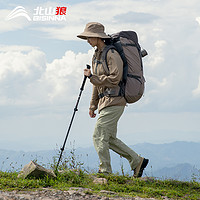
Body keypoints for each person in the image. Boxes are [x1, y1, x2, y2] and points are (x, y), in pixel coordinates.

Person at [77, 22, 149, 177]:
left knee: (98, 135)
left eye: (89, 37)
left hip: (115, 100)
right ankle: (137, 162)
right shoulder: (97, 55)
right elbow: (96, 83)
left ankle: (105, 172)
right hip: (105, 102)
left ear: (98, 37)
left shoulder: (112, 54)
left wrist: (92, 77)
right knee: (108, 139)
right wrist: (92, 105)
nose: (87, 40)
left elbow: (115, 78)